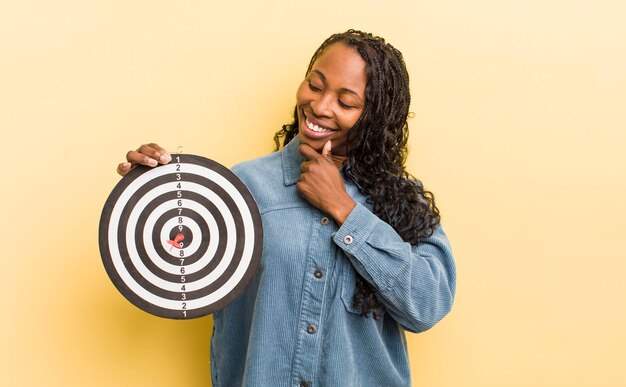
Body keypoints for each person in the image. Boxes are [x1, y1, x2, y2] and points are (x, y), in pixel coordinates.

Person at [117, 30, 456, 387]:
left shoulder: (403, 201)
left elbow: (427, 306)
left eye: (346, 102)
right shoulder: (241, 186)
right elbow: (175, 271)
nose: (321, 107)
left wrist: (344, 209)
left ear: (374, 117)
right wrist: (150, 192)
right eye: (315, 85)